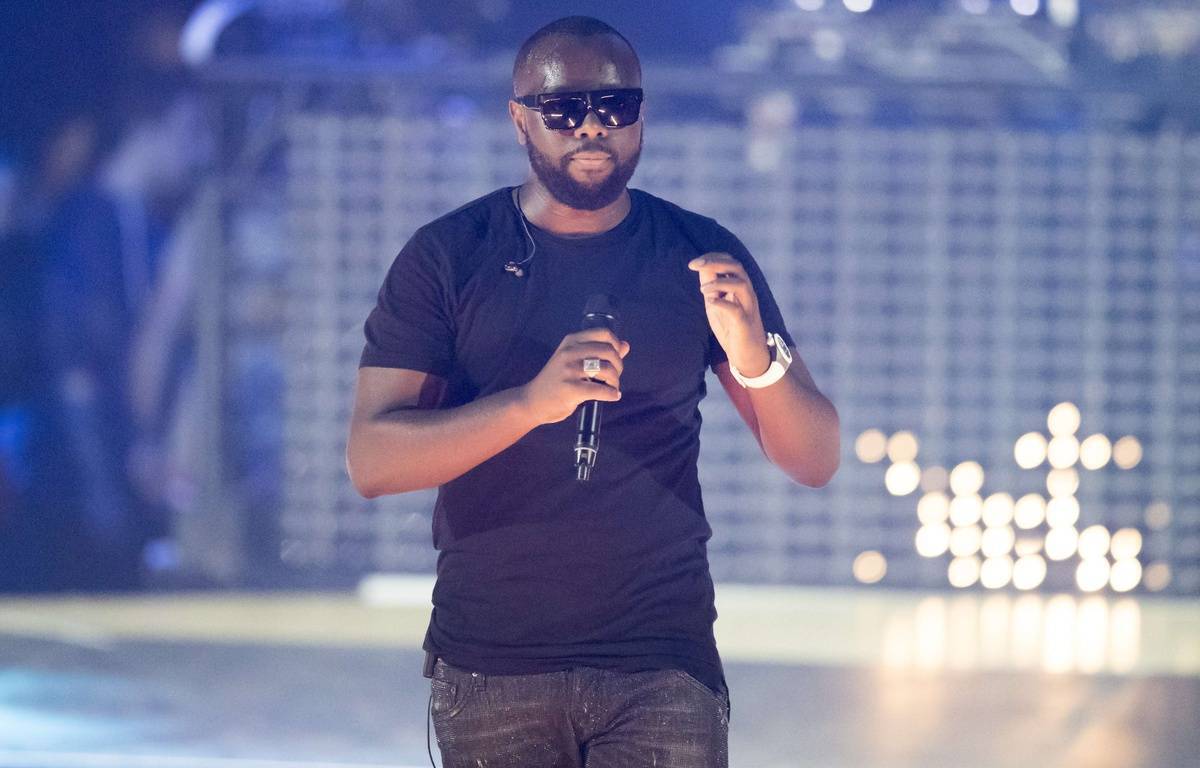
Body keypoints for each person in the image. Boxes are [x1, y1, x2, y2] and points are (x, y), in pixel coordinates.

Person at [347, 16, 839, 768]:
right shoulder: (450, 255)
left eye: (614, 106)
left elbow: (815, 459)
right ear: (519, 120)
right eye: (563, 109)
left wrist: (754, 360)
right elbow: (372, 461)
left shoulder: (697, 254)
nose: (591, 127)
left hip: (661, 655)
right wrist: (529, 404)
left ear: (642, 115)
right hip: (492, 659)